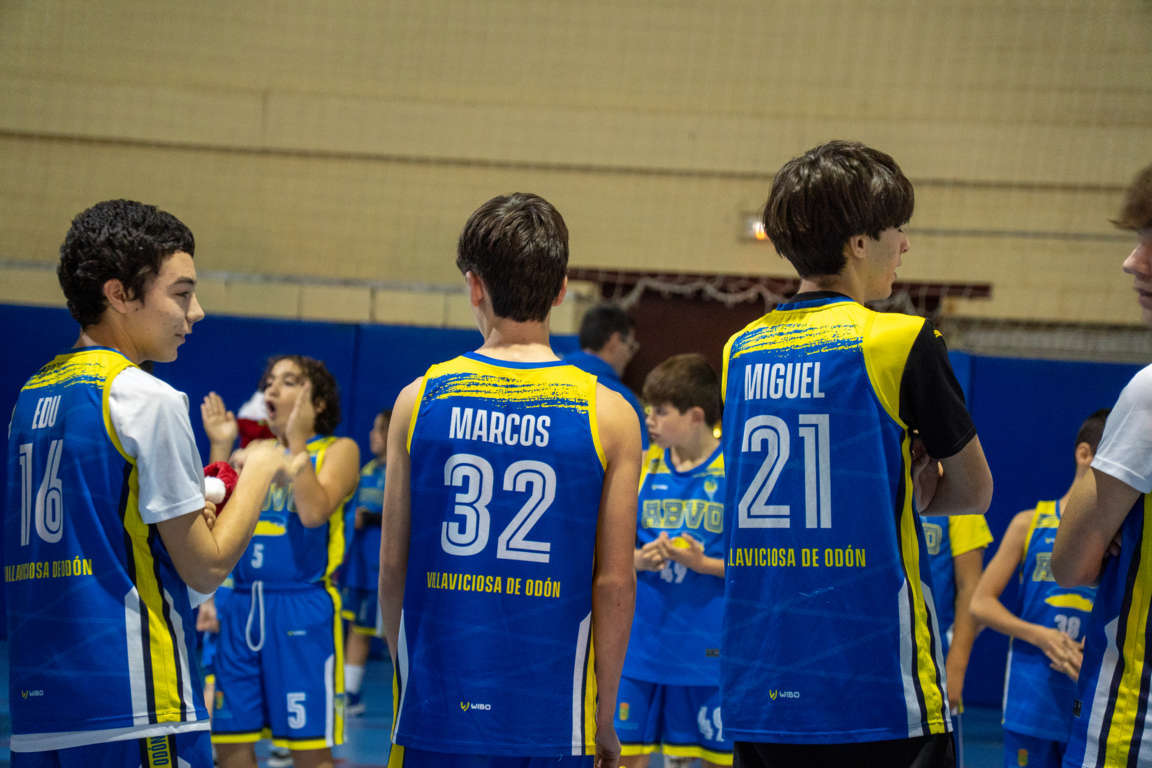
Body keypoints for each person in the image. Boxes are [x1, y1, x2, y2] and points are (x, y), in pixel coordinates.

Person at [719, 141, 993, 768]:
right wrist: (910, 485)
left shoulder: (740, 349)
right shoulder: (900, 340)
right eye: (898, 228)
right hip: (875, 681)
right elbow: (976, 492)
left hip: (763, 673)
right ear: (860, 243)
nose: (906, 244)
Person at [4, 199, 295, 767]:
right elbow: (205, 567)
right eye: (182, 294)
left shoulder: (31, 396)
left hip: (40, 706)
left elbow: (104, 533)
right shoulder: (146, 397)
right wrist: (259, 468)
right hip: (135, 702)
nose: (197, 312)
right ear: (119, 294)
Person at [379, 192, 641, 767]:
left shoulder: (417, 401)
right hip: (553, 715)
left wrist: (409, 681)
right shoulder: (611, 414)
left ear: (474, 286)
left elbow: (393, 568)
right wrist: (603, 715)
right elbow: (615, 584)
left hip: (437, 708)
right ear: (561, 290)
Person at [202, 356, 360, 768]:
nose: (272, 388)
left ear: (318, 402)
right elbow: (215, 523)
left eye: (289, 382)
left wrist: (296, 444)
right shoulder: (253, 453)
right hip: (240, 606)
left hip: (301, 608)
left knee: (309, 749)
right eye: (270, 381)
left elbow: (313, 513)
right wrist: (221, 445)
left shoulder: (339, 450)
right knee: (229, 742)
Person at [1052, 162, 1152, 768]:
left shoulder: (1148, 394)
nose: (1132, 261)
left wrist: (1110, 528)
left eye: (1151, 239)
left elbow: (1070, 561)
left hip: (1133, 726)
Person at [971, 410, 1107, 768]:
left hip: (1089, 702)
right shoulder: (1028, 524)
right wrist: (1041, 636)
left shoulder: (1115, 539)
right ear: (1085, 454)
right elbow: (980, 603)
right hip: (1030, 701)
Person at [616, 354, 733, 767]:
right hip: (640, 648)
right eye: (648, 410)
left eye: (660, 412)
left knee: (711, 761)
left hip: (707, 654)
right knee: (622, 758)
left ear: (695, 416)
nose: (649, 420)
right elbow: (606, 548)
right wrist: (636, 559)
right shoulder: (641, 464)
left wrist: (705, 565)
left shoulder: (735, 470)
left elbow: (762, 566)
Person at [920, 508, 992, 755]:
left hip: (935, 663)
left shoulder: (959, 502)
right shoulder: (883, 495)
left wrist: (956, 668)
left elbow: (971, 590)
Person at [341, 408, 391, 716]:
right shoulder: (368, 470)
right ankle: (351, 694)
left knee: (391, 633)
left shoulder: (401, 470)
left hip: (382, 569)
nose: (372, 434)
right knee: (358, 628)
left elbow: (405, 516)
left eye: (378, 429)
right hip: (359, 567)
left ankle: (414, 691)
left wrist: (371, 518)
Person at [566, 303, 649, 450]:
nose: (629, 356)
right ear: (614, 341)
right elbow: (640, 457)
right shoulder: (622, 399)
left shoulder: (543, 379)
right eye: (630, 346)